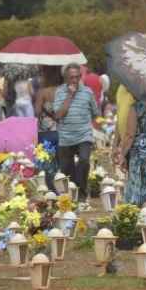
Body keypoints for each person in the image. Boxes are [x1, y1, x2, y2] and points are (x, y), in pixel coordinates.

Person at [54, 63, 99, 201]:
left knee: (84, 161)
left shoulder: (87, 92)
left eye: (77, 77)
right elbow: (58, 115)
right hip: (66, 137)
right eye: (71, 77)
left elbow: (95, 112)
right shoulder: (60, 92)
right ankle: (71, 196)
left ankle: (82, 194)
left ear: (80, 77)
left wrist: (86, 125)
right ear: (66, 78)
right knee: (67, 169)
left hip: (84, 135)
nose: (74, 80)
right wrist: (70, 96)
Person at [34, 66, 62, 191]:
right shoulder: (63, 91)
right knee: (61, 161)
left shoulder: (43, 92)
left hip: (45, 132)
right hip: (62, 131)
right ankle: (63, 187)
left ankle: (51, 189)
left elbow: (37, 111)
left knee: (47, 162)